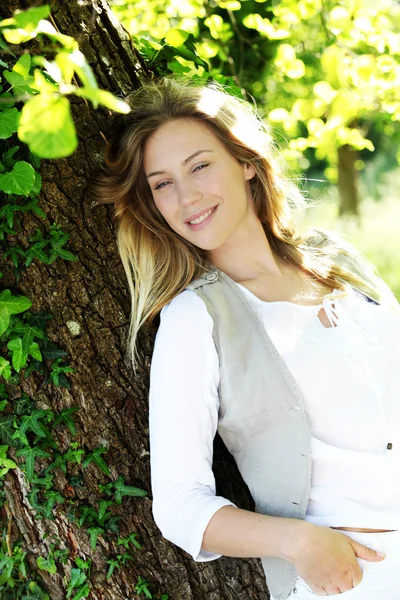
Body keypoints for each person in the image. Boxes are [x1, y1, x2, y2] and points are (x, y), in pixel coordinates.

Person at [94, 76, 400, 599]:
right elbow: (180, 504)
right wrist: (296, 542)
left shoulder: (340, 259)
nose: (186, 195)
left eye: (200, 166)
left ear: (246, 163)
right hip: (361, 578)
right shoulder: (197, 317)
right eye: (162, 183)